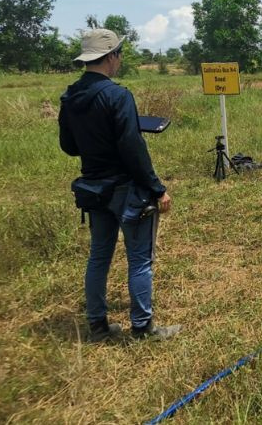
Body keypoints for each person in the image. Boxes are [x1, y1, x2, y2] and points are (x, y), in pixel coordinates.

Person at [58, 28, 180, 341]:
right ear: (111, 56)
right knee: (139, 260)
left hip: (93, 189)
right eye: (119, 55)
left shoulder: (70, 96)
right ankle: (143, 329)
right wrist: (157, 188)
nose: (119, 61)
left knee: (99, 255)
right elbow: (132, 147)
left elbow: (69, 146)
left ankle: (97, 325)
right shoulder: (118, 95)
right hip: (125, 190)